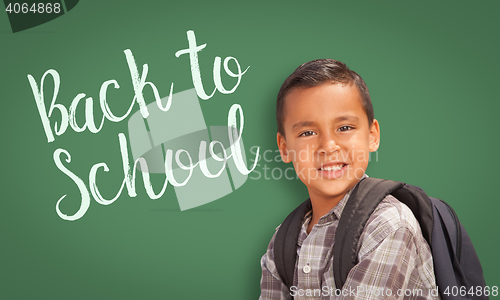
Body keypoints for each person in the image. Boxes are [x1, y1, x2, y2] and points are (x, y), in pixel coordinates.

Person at [259, 59, 439, 299]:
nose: (328, 146)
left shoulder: (388, 224)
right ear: (284, 148)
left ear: (372, 135)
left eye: (344, 127)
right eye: (308, 133)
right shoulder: (282, 244)